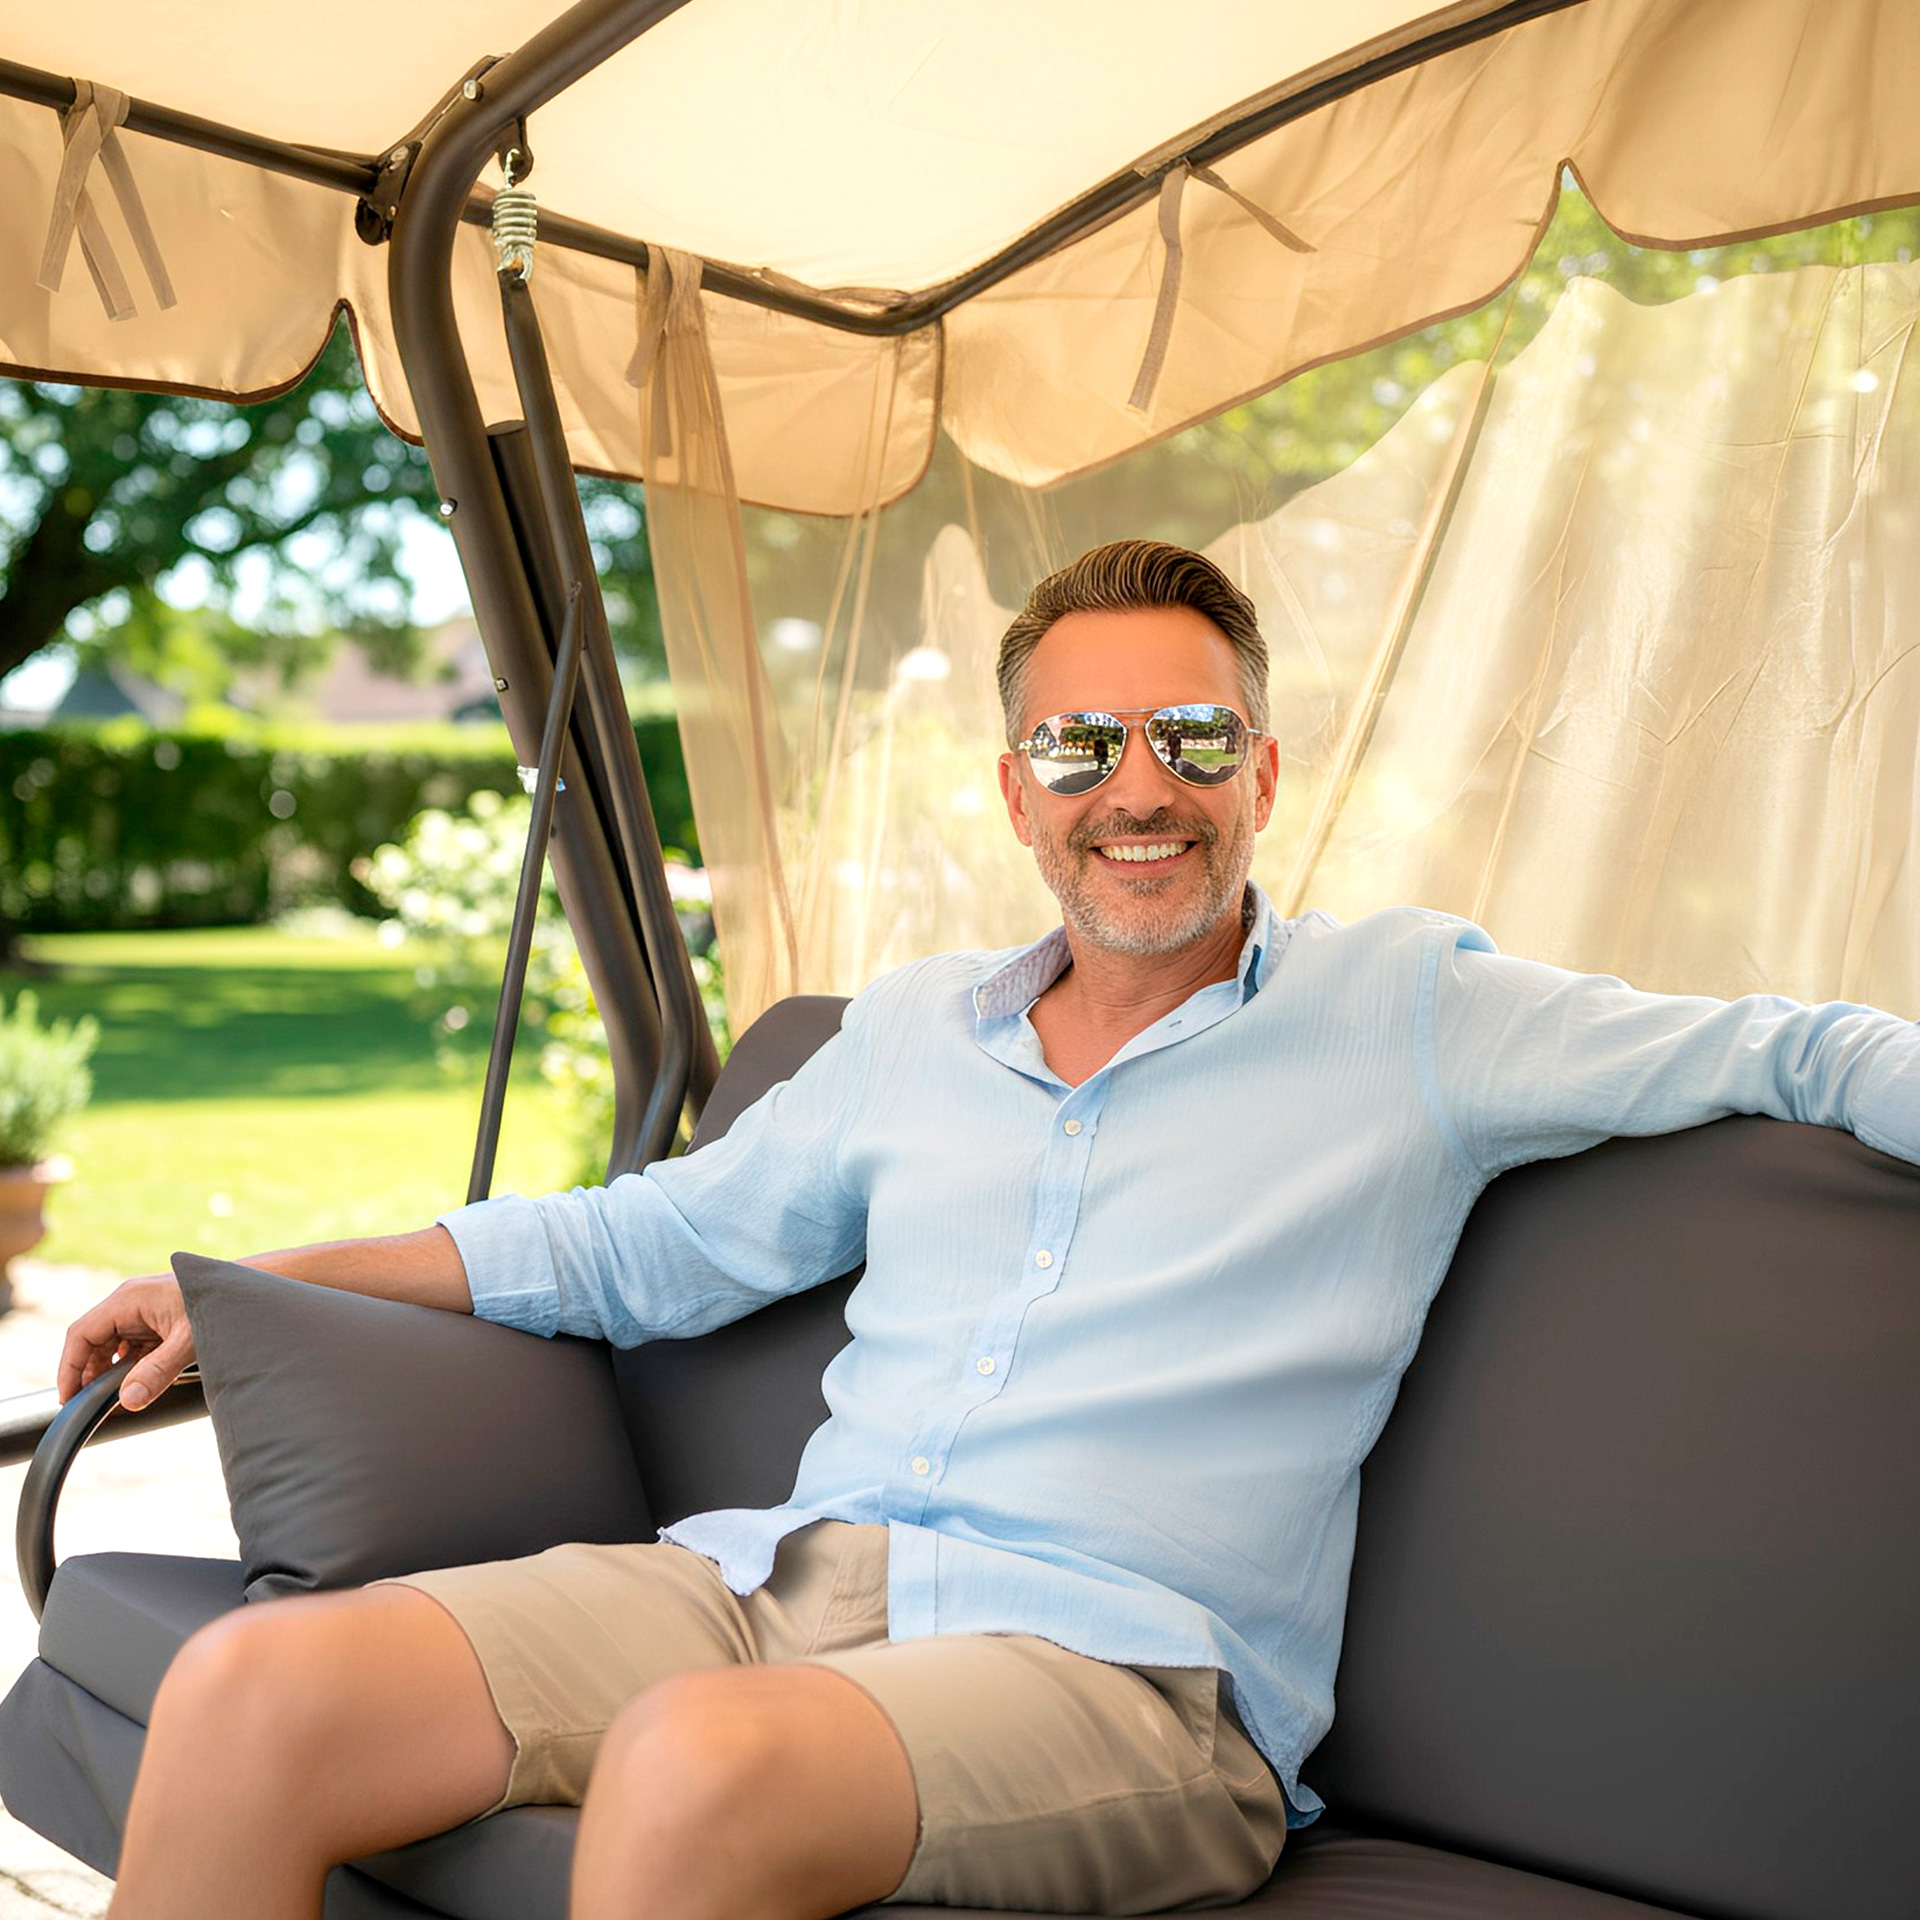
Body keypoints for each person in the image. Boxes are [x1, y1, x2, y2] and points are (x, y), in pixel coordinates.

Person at [57, 540, 1920, 1920]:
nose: (1140, 788)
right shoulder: (909, 1034)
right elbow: (638, 1247)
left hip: (1127, 1680)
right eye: (1079, 744)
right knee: (256, 1686)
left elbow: (1803, 1047)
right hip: (774, 1583)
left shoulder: (1413, 1010)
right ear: (1018, 792)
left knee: (695, 1763)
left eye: (1193, 736)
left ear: (1264, 775)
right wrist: (252, 1287)